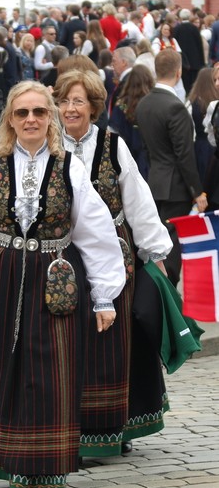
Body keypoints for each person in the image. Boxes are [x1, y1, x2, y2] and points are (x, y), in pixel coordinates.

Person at [0, 80, 125, 488]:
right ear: (10, 119)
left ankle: (40, 477)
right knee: (3, 370)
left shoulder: (70, 168)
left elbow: (95, 232)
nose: (31, 119)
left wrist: (104, 295)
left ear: (50, 118)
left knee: (49, 377)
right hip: (1, 279)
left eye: (39, 112)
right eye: (22, 112)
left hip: (55, 281)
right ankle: (8, 461)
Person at [54, 68, 173, 458]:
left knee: (112, 340)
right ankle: (72, 428)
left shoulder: (112, 145)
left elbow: (137, 198)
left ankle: (113, 428)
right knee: (72, 339)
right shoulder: (49, 146)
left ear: (93, 107)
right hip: (66, 254)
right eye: (64, 101)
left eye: (78, 101)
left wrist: (154, 253)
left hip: (117, 253)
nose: (70, 109)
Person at [135, 49, 208, 287]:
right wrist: (197, 191)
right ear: (178, 73)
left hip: (154, 181)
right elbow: (184, 155)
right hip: (175, 187)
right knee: (171, 248)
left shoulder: (144, 104)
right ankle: (167, 293)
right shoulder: (175, 107)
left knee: (158, 243)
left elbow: (147, 149)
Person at [110, 64, 155, 179]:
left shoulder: (121, 104)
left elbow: (113, 132)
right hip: (151, 156)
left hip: (127, 156)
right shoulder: (152, 104)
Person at [186, 67, 218, 184]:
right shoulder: (215, 102)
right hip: (211, 147)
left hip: (200, 148)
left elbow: (189, 131)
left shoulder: (191, 103)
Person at [173, 8, 205, 94]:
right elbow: (199, 45)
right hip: (195, 60)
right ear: (189, 16)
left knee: (184, 82)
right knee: (193, 83)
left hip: (182, 60)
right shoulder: (194, 28)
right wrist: (202, 61)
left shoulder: (177, 29)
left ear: (180, 17)